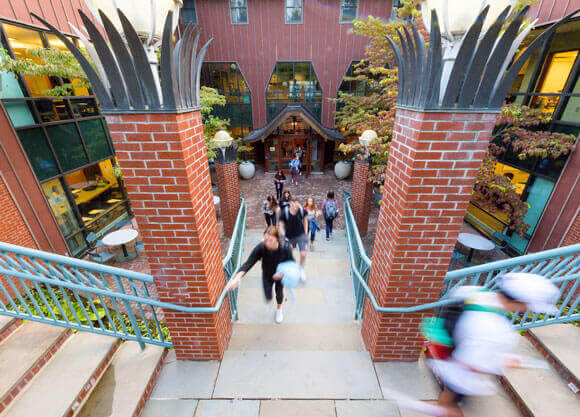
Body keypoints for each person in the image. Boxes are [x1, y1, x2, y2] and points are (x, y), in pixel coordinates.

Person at [410, 272, 559, 417]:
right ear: (520, 302)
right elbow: (469, 364)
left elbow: (456, 294)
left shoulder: (477, 293)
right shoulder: (494, 329)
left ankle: (439, 407)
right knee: (452, 404)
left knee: (449, 397)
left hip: (450, 359)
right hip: (460, 375)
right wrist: (505, 362)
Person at [226, 226, 293, 324]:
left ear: (277, 239)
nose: (267, 243)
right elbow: (248, 263)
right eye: (265, 239)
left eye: (270, 240)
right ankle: (270, 302)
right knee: (267, 294)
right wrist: (237, 277)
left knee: (279, 293)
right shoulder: (261, 247)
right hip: (267, 273)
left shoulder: (285, 248)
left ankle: (279, 309)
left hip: (280, 275)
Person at [278, 196, 308, 282]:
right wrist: (284, 236)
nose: (294, 205)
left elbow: (305, 220)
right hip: (289, 236)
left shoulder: (302, 211)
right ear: (289, 204)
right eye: (292, 203)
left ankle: (301, 269)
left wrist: (306, 233)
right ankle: (284, 270)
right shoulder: (285, 212)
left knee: (303, 254)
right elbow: (281, 225)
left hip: (300, 235)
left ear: (298, 203)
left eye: (296, 203)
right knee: (285, 253)